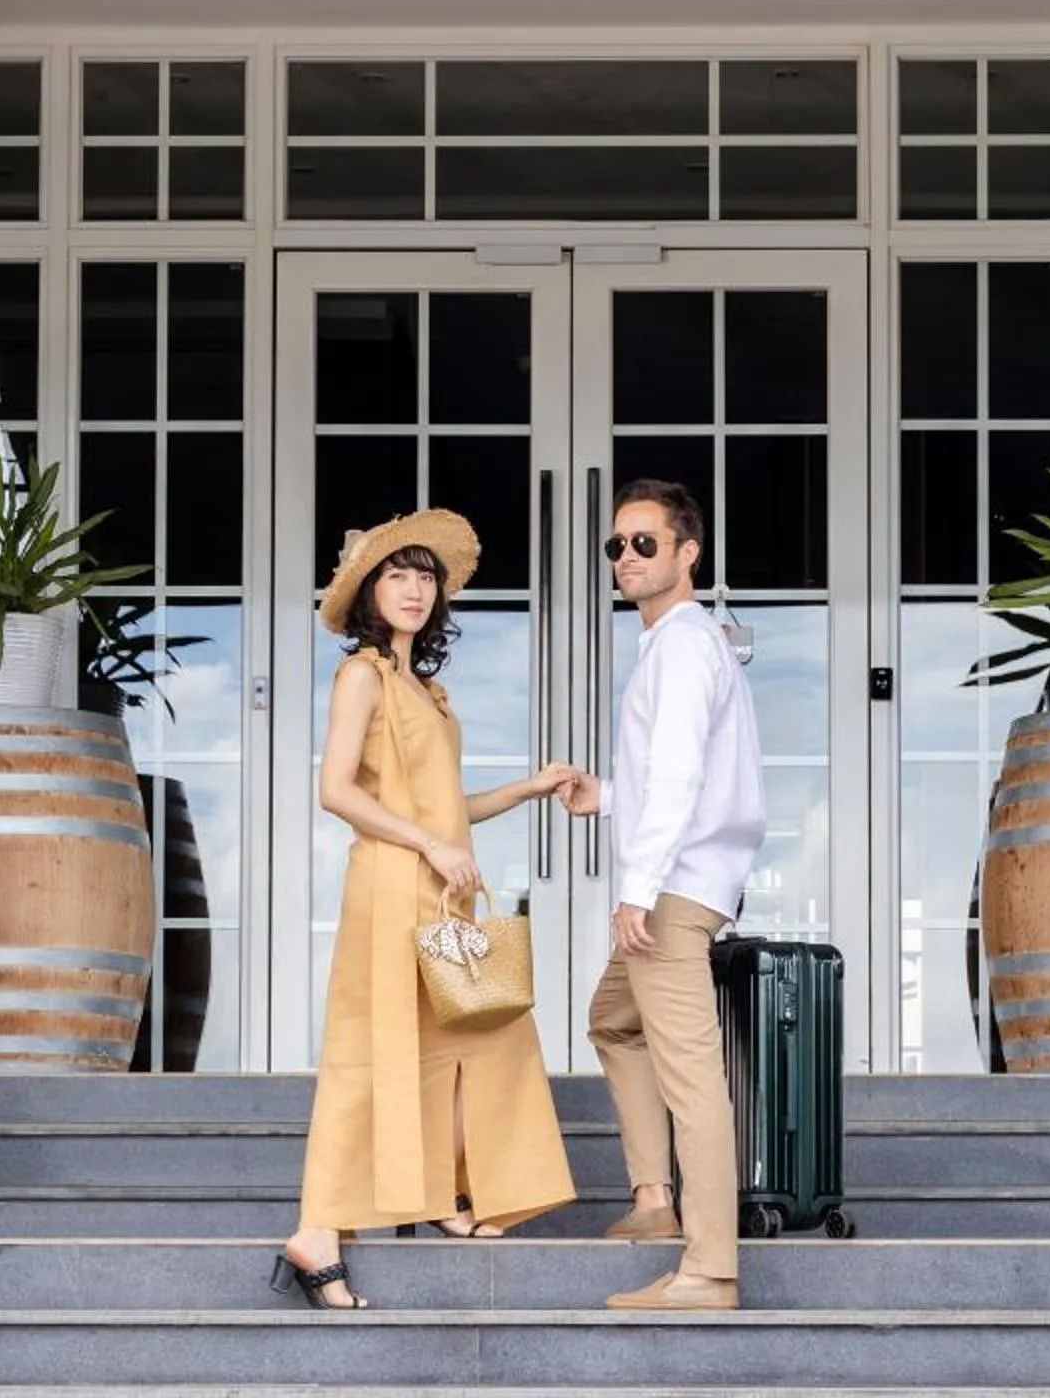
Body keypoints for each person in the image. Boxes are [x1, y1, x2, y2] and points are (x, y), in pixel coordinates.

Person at [272, 508, 581, 1312]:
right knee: (367, 1058)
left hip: (439, 889)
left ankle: (441, 1193)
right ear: (369, 593)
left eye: (425, 576)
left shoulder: (426, 689)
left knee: (469, 1041)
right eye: (396, 575)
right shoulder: (363, 677)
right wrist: (431, 847)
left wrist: (529, 787)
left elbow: (447, 809)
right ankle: (317, 1230)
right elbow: (335, 791)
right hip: (388, 886)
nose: (414, 589)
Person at [566, 477, 769, 1313]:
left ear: (688, 553)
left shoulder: (685, 645)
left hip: (673, 895)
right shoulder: (675, 647)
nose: (626, 558)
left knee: (692, 1078)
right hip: (681, 886)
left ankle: (709, 1270)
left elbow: (685, 776)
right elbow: (675, 777)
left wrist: (636, 889)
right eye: (617, 545)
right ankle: (654, 1201)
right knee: (613, 1019)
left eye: (644, 543)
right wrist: (606, 797)